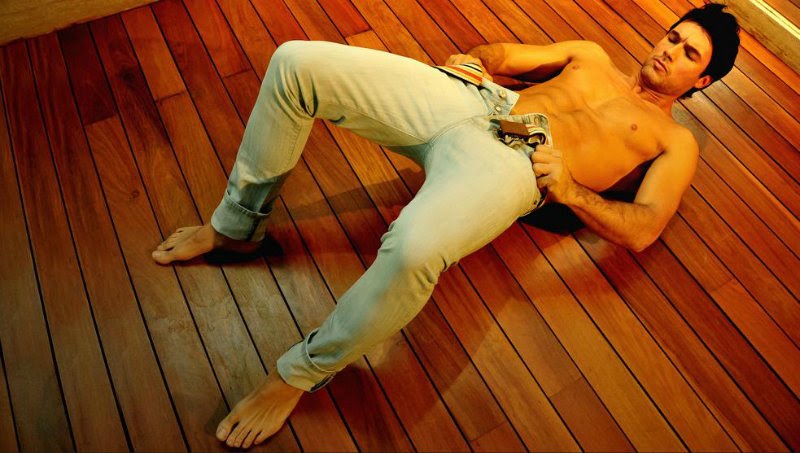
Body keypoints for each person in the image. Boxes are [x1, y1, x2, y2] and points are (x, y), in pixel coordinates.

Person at [151, 4, 739, 449]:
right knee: (295, 63)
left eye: (690, 55)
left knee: (414, 249)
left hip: (517, 165)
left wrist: (569, 190)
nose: (670, 51)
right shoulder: (590, 55)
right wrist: (478, 61)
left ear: (703, 82)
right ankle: (237, 227)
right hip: (474, 100)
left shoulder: (675, 141)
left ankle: (298, 374)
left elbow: (644, 227)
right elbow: (505, 54)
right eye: (674, 37)